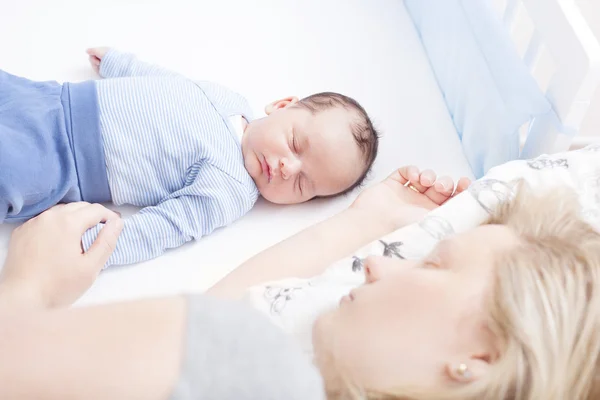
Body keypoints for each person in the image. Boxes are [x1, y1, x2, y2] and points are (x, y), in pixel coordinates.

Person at [2, 165, 600, 400]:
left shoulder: (260, 367)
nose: (380, 262)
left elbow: (227, 328)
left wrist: (30, 286)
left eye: (433, 264)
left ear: (482, 357)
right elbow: (245, 312)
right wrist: (364, 220)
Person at [0, 47, 379, 267]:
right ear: (283, 104)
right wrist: (122, 63)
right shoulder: (232, 100)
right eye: (296, 144)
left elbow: (165, 227)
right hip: (54, 99)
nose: (286, 167)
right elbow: (171, 83)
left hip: (60, 162)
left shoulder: (230, 189)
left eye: (302, 183)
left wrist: (93, 246)